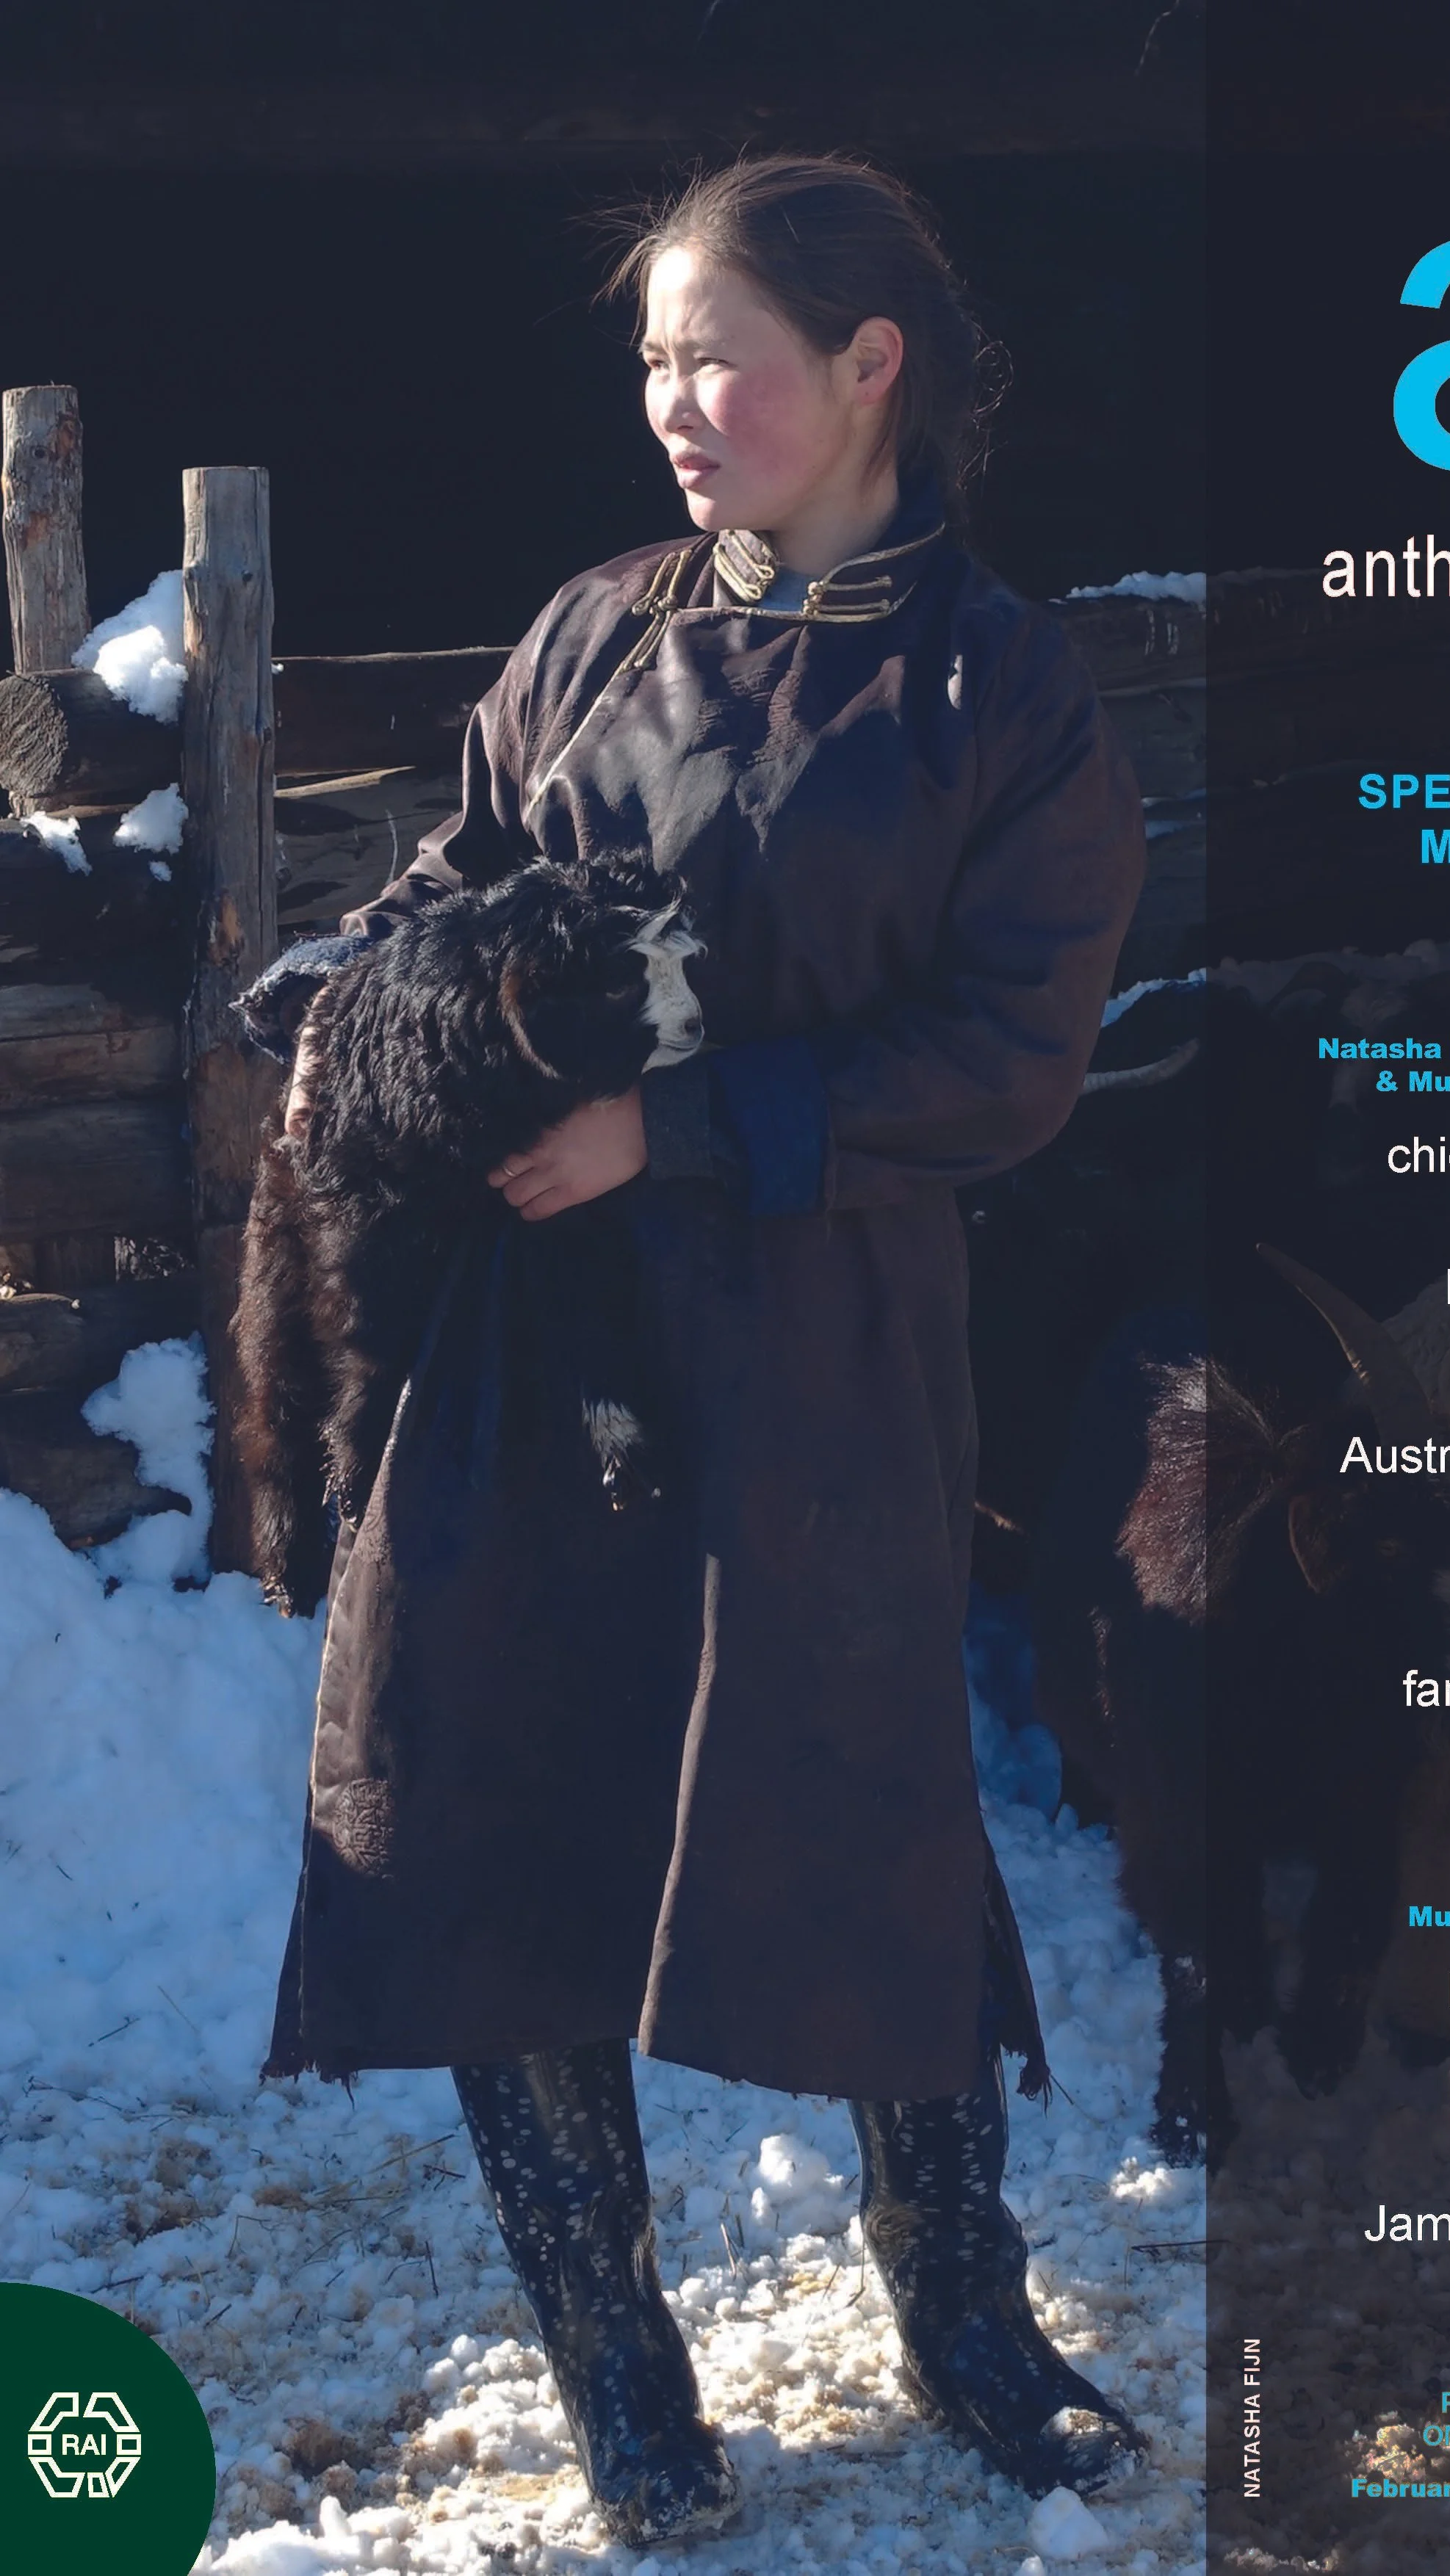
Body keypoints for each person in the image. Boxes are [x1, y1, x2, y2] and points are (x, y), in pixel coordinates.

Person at [236, 153, 1150, 2549]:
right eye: (652, 358)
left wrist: (688, 1123)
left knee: (861, 1817)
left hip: (819, 1344)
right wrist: (366, 1000)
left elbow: (1009, 1053)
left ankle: (963, 2313)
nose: (673, 402)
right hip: (533, 1351)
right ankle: (619, 2366)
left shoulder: (996, 687)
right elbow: (461, 873)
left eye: (718, 353)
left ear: (872, 368)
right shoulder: (592, 631)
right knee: (492, 1802)